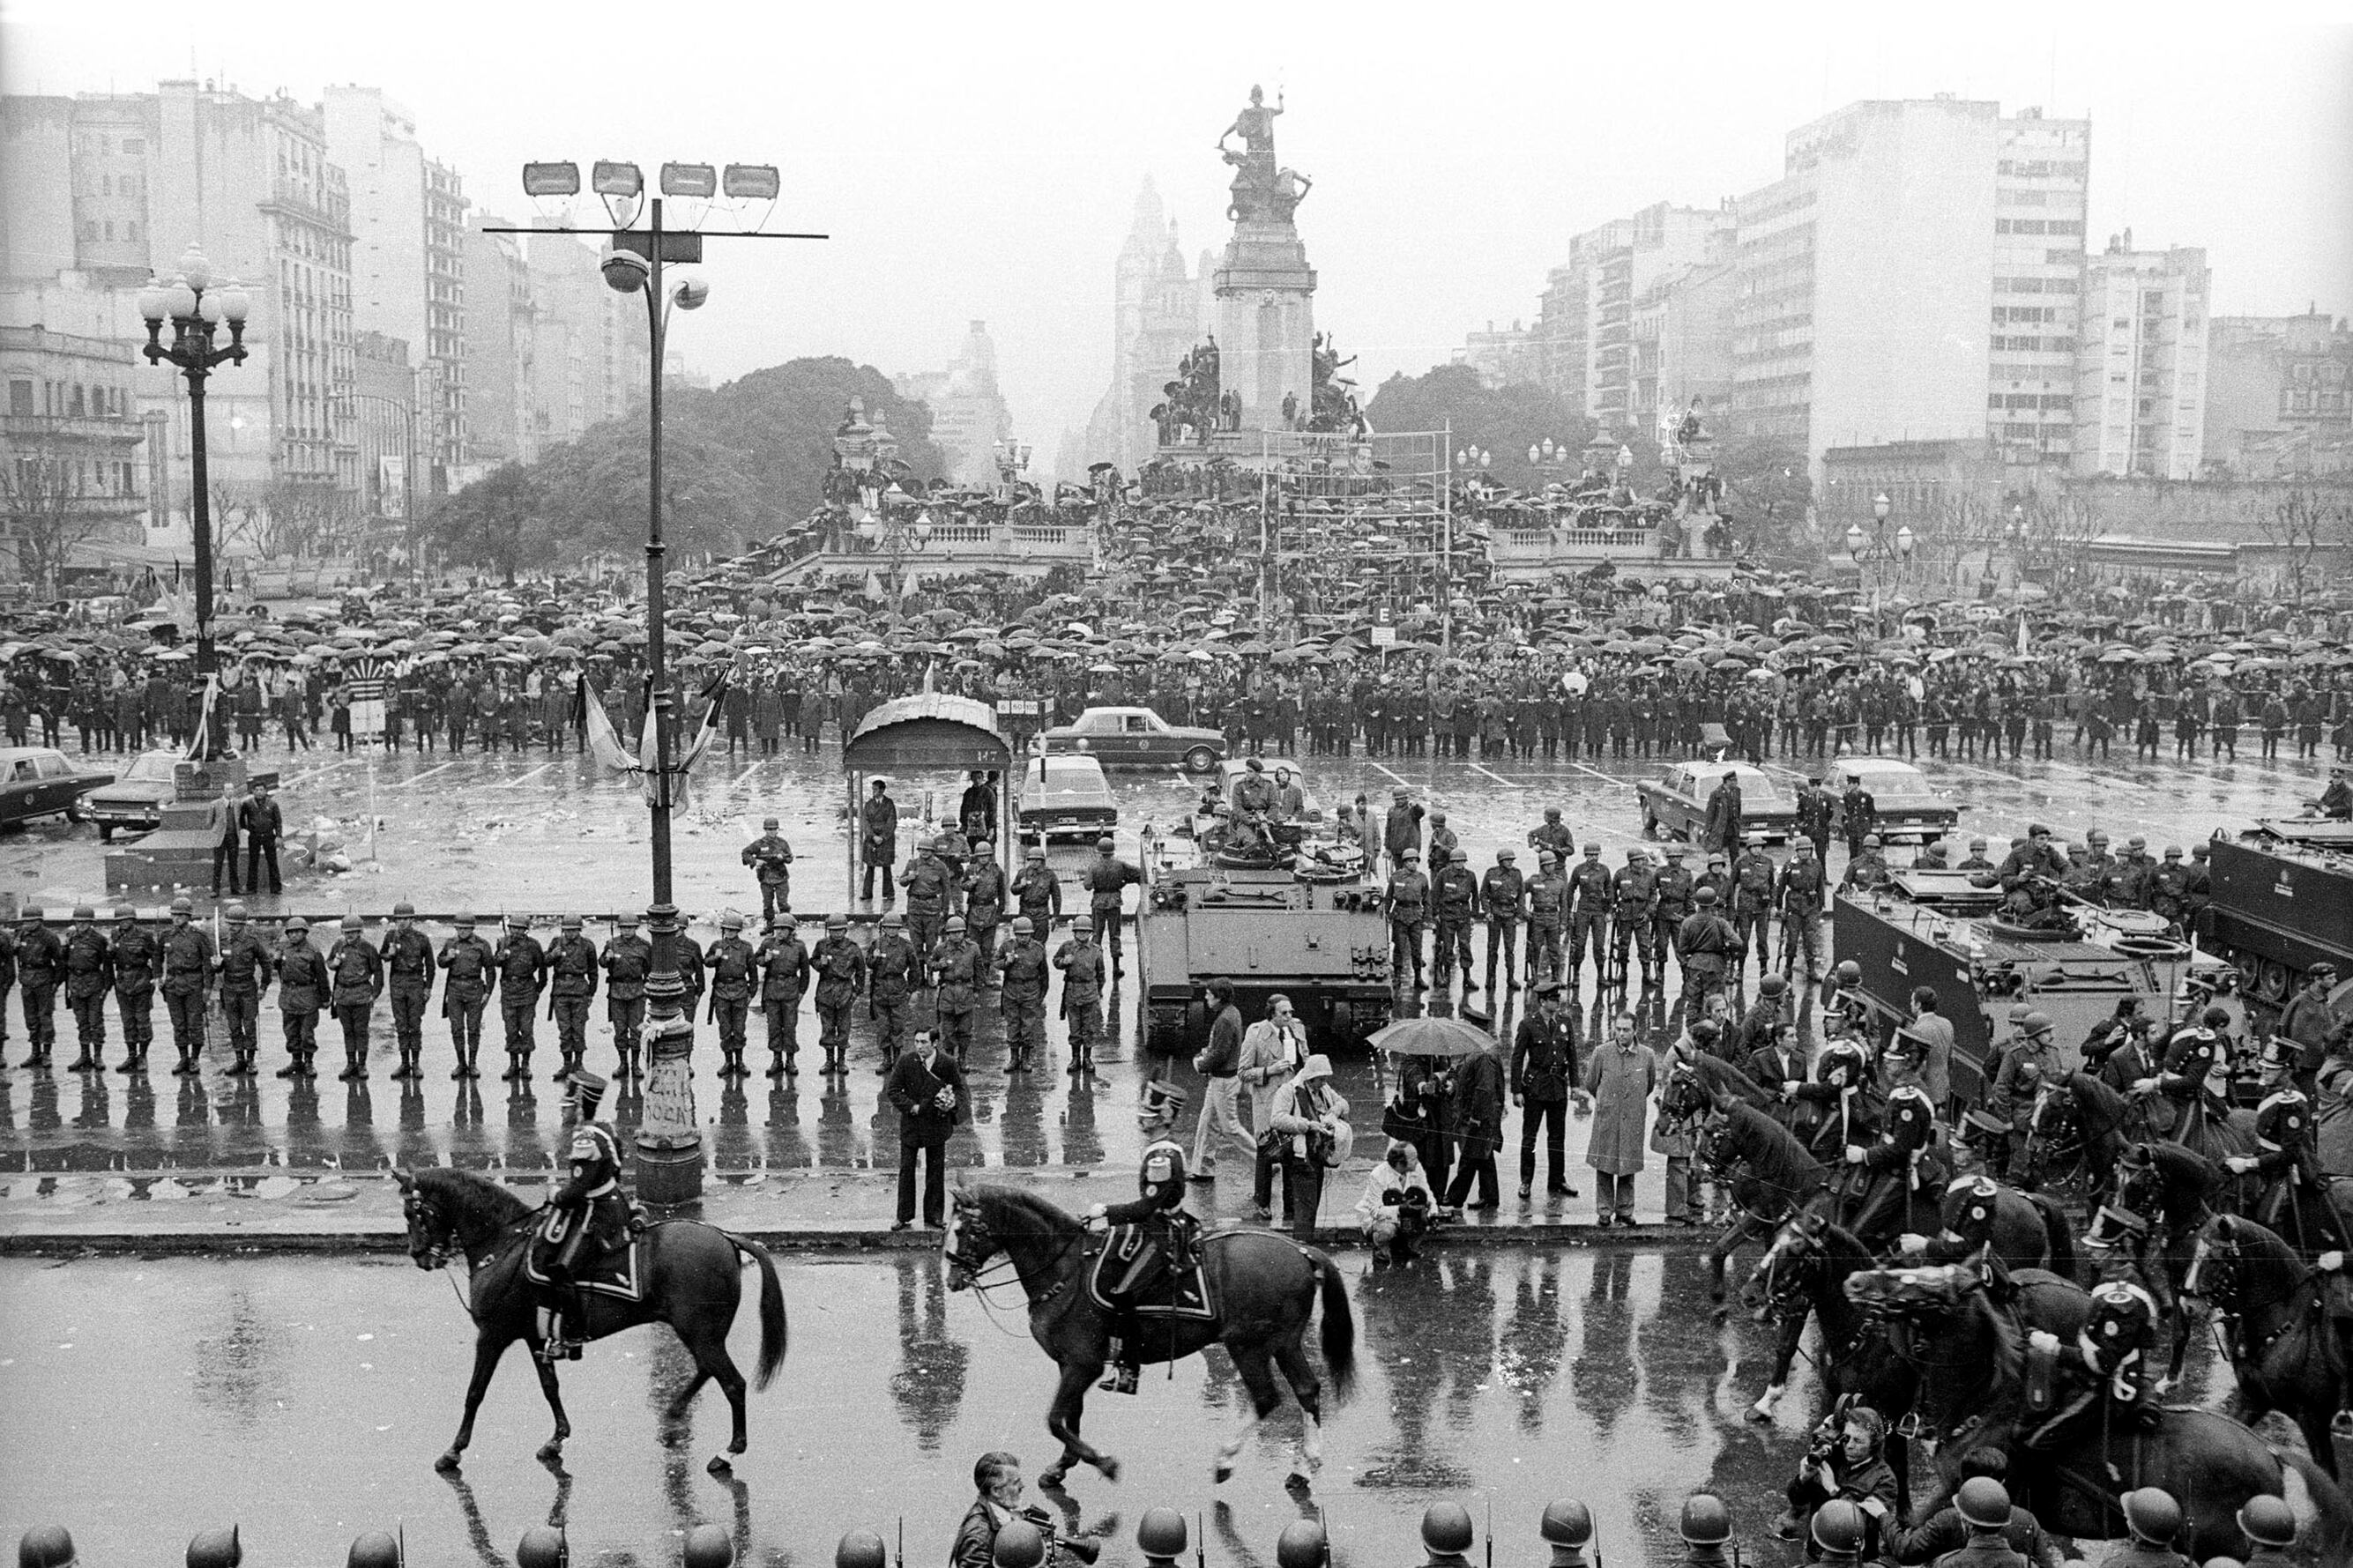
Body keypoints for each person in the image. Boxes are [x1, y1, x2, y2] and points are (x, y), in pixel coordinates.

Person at [532, 1070, 640, 1360]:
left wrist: (553, 1194)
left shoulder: (585, 1139)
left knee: (561, 1268)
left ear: (579, 1107)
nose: (564, 1112)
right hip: (611, 1199)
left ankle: (573, 1335)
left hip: (599, 1212)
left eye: (567, 1107)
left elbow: (576, 1193)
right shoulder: (604, 1128)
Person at [1085, 1137, 1201, 1393]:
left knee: (1124, 1292)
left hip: (1161, 1234)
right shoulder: (1166, 1150)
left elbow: (1146, 1207)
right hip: (1155, 1225)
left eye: (1151, 1117)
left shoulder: (1162, 1158)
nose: (1145, 1122)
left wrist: (1105, 1210)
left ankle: (1128, 1373)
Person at [2024, 1279, 2160, 1447]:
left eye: (2102, 1250)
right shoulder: (2106, 1288)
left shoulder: (2121, 1306)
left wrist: (2053, 1347)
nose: (2092, 1251)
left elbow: (2103, 1363)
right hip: (2083, 1377)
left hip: (2100, 1388)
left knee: (2036, 1443)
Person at [1776, 1401, 1899, 1557]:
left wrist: (1834, 1490)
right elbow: (1797, 1500)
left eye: (1858, 1441)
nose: (1849, 1446)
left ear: (1874, 1445)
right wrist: (1802, 1480)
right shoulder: (1833, 1459)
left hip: (1853, 1559)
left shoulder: (1885, 1479)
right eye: (1847, 1438)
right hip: (1815, 1553)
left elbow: (1865, 1524)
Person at [886, 1026, 966, 1231]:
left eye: (924, 1042)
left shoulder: (947, 1063)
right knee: (906, 1170)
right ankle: (903, 1216)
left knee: (935, 1171)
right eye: (917, 1042)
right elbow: (893, 1090)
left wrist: (951, 1103)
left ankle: (934, 1216)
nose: (919, 1047)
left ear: (935, 1043)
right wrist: (911, 1107)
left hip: (936, 1124)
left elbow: (959, 1089)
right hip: (912, 1124)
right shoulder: (906, 1061)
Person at [1511, 980, 1586, 1200]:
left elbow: (1572, 1054)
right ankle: (1526, 1181)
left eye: (1558, 998)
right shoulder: (1528, 1024)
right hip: (1536, 1086)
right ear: (1542, 1002)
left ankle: (1557, 1180)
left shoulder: (1565, 1021)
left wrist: (1575, 1085)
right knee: (1530, 1138)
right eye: (1554, 999)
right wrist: (1516, 1090)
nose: (1558, 1002)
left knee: (1557, 1137)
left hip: (1557, 1087)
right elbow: (1517, 1059)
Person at [1582, 1010, 1656, 1227]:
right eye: (1618, 1029)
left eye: (1626, 1030)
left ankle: (1625, 1210)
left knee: (1628, 1166)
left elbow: (1649, 1086)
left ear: (1635, 1031)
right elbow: (1591, 1083)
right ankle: (1604, 1211)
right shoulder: (1601, 1053)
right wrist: (1608, 1102)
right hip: (1608, 1118)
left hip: (1633, 1119)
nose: (1621, 1034)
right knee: (1604, 1165)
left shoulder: (1647, 1056)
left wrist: (1631, 1104)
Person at [1270, 1053, 1348, 1243]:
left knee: (1312, 1206)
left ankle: (1304, 1246)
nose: (1324, 1083)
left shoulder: (1324, 1089)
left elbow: (1343, 1104)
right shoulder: (1288, 1091)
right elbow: (1276, 1119)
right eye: (1321, 1079)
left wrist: (1334, 1112)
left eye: (1325, 1079)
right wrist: (1305, 1125)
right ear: (1310, 1077)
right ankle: (1302, 1248)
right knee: (1305, 1208)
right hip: (1299, 1156)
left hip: (1318, 1156)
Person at [1189, 977, 1253, 1178]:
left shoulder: (1224, 1020)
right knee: (1208, 1124)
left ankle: (1264, 1162)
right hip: (1224, 1079)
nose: (1206, 997)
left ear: (1219, 997)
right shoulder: (1232, 1013)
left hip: (1223, 1081)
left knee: (1230, 1128)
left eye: (1209, 994)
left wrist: (1201, 1064)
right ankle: (1203, 1170)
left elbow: (1220, 1054)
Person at [1443, 1031, 1508, 1213]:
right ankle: (1490, 1197)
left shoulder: (1483, 1056)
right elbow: (1463, 1076)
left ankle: (1455, 1197)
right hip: (1478, 1116)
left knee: (1470, 1157)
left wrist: (1476, 1118)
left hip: (1480, 1117)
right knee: (1483, 1156)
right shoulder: (1474, 1053)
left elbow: (1484, 1090)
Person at [1354, 1139, 1437, 1267]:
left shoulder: (1417, 1168)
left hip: (1405, 1215)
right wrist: (1400, 1209)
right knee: (1387, 1231)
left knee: (1424, 1219)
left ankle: (1409, 1245)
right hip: (1378, 1218)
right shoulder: (1378, 1175)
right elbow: (1375, 1211)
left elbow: (1427, 1192)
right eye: (1413, 1158)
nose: (1417, 1160)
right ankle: (1381, 1248)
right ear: (1400, 1162)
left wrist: (1433, 1213)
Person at [159, 896, 215, 1076]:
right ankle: (183, 1057)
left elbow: (207, 963)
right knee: (179, 1023)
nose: (176, 918)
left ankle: (195, 1058)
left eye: (180, 915)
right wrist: (157, 977)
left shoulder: (199, 937)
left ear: (188, 917)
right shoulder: (166, 936)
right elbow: (156, 956)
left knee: (194, 1023)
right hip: (173, 985)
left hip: (193, 985)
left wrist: (207, 988)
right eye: (174, 915)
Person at [324, 914, 383, 1081]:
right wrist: (333, 965)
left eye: (353, 932)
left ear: (360, 932)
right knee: (347, 1031)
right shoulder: (339, 945)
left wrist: (375, 993)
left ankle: (362, 1064)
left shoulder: (367, 948)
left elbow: (377, 970)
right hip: (343, 995)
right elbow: (329, 962)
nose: (349, 935)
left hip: (361, 995)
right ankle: (350, 1063)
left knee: (361, 1030)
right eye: (346, 932)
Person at [437, 913, 495, 1081]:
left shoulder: (482, 945)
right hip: (454, 989)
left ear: (472, 929)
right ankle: (461, 1063)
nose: (462, 931)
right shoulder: (450, 943)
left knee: (474, 1027)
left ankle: (473, 1063)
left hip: (474, 988)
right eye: (459, 928)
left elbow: (490, 970)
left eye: (466, 928)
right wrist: (448, 957)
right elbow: (440, 961)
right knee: (456, 1028)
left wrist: (488, 992)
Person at [811, 913, 868, 1076]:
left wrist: (857, 991)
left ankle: (842, 1060)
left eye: (840, 930)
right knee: (827, 1026)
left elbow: (861, 970)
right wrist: (820, 964)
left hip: (845, 990)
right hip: (826, 989)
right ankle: (829, 1060)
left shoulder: (853, 947)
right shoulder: (822, 945)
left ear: (845, 930)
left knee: (844, 1027)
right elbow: (813, 961)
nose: (836, 934)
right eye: (833, 931)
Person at [383, 903, 436, 1080]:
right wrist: (389, 954)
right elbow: (382, 956)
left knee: (415, 1023)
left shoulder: (421, 939)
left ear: (412, 919)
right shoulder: (391, 936)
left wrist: (428, 988)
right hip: (398, 982)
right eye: (399, 919)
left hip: (415, 982)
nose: (402, 922)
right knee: (401, 1024)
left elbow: (430, 965)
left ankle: (415, 1063)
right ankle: (404, 1062)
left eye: (406, 919)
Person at [492, 914, 548, 1082]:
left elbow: (542, 969)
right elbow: (495, 962)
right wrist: (500, 958)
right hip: (509, 991)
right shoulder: (502, 942)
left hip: (527, 991)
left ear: (526, 930)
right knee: (510, 1029)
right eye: (513, 928)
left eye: (520, 929)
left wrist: (537, 990)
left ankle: (526, 1064)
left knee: (526, 1028)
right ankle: (513, 1063)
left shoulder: (533, 946)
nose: (516, 931)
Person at [754, 912, 809, 1078]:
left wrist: (801, 993)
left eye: (784, 929)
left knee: (790, 1026)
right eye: (778, 929)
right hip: (772, 990)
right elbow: (757, 959)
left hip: (791, 990)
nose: (780, 932)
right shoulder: (768, 943)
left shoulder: (799, 947)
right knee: (774, 1026)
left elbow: (805, 972)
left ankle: (790, 1060)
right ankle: (776, 1059)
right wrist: (765, 959)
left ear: (791, 931)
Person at [546, 914, 600, 1082]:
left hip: (579, 991)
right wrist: (552, 955)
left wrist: (591, 993)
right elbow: (544, 962)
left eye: (574, 931)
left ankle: (579, 1063)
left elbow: (593, 972)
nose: (570, 934)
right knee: (564, 1030)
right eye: (567, 931)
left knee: (578, 1029)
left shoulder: (587, 946)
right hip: (561, 991)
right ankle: (567, 1063)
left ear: (579, 930)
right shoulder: (556, 943)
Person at [59, 905, 112, 1071]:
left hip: (93, 984)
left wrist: (106, 987)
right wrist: (65, 946)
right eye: (78, 922)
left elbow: (108, 965)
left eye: (84, 922)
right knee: (81, 1021)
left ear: (90, 922)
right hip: (76, 983)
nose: (81, 925)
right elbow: (64, 961)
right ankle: (84, 1055)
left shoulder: (99, 940)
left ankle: (97, 1056)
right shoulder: (72, 938)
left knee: (95, 1021)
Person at [273, 916, 327, 1079]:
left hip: (307, 996)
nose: (294, 935)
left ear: (304, 933)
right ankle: (296, 1061)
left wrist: (325, 998)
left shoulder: (313, 951)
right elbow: (278, 968)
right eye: (291, 933)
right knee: (290, 1031)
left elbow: (322, 976)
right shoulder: (283, 948)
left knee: (306, 1034)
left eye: (297, 932)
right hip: (289, 996)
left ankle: (309, 1062)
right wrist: (275, 960)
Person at [952, 1452, 1027, 1568]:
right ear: (996, 1491)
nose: (1022, 1486)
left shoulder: (998, 1514)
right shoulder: (979, 1537)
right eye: (1016, 1483)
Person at [1054, 915, 1108, 1074]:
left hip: (1089, 991)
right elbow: (1055, 961)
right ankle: (1075, 1058)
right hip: (1072, 991)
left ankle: (1087, 1058)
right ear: (1074, 933)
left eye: (1086, 932)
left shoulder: (1096, 951)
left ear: (1090, 933)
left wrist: (1097, 991)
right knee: (1075, 1028)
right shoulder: (1067, 947)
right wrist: (1064, 962)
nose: (1082, 935)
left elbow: (1101, 974)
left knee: (1089, 1027)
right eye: (1079, 932)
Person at [706, 911, 758, 1078]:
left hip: (740, 990)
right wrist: (716, 957)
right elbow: (706, 962)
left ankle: (740, 1061)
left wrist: (751, 993)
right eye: (727, 929)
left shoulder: (746, 948)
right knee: (725, 1028)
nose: (729, 933)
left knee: (739, 1028)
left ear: (738, 931)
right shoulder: (717, 945)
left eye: (733, 930)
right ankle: (728, 1061)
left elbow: (753, 972)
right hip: (721, 991)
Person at [1082, 837, 1143, 977]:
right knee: (1115, 934)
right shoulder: (1120, 865)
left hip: (1098, 902)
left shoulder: (1093, 866)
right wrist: (1125, 881)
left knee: (1097, 935)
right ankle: (1116, 967)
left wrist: (1097, 885)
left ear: (1099, 852)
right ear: (1112, 851)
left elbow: (1087, 886)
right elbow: (1138, 873)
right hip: (1114, 901)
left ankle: (1095, 967)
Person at [599, 912, 652, 1077]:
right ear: (619, 929)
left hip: (637, 991)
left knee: (636, 1029)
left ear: (636, 928)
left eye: (630, 928)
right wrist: (607, 958)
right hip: (617, 991)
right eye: (624, 928)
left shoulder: (644, 946)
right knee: (620, 1030)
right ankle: (623, 1063)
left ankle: (636, 1065)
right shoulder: (612, 944)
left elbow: (649, 971)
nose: (627, 931)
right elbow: (601, 963)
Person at [1384, 846, 1431, 991]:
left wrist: (1427, 918)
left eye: (1415, 861)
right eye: (1410, 861)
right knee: (1399, 947)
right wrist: (1385, 913)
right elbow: (1388, 897)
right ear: (1404, 862)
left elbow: (1427, 900)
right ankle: (1397, 977)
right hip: (1400, 914)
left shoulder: (1422, 878)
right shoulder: (1396, 877)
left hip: (1416, 915)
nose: (1413, 864)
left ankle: (1418, 977)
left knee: (1417, 948)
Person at [741, 818, 795, 925]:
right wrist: (755, 861)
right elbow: (745, 853)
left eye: (774, 829)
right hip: (766, 878)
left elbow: (790, 858)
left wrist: (782, 858)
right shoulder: (759, 844)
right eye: (769, 829)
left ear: (777, 830)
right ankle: (770, 925)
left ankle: (786, 924)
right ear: (765, 830)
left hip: (781, 877)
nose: (772, 832)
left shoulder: (782, 843)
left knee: (783, 903)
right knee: (767, 904)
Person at [239, 780, 284, 895]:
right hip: (254, 836)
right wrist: (245, 829)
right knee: (253, 862)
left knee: (272, 862)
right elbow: (241, 817)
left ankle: (276, 888)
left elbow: (278, 821)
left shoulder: (272, 804)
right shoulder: (248, 804)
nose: (259, 792)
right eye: (257, 790)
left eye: (261, 790)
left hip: (269, 835)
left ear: (265, 791)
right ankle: (251, 888)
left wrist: (278, 836)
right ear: (253, 791)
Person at [861, 779, 899, 906]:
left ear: (882, 790)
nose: (874, 792)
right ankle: (867, 893)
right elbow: (865, 822)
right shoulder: (868, 804)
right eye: (872, 790)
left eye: (876, 790)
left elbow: (892, 821)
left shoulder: (889, 804)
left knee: (886, 867)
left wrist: (883, 837)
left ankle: (889, 893)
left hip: (886, 840)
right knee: (870, 867)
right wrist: (872, 836)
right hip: (871, 839)